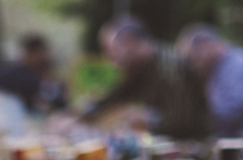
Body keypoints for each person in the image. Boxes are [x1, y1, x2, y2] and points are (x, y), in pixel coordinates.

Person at [83, 17, 212, 139]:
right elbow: (118, 93)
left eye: (113, 50)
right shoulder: (142, 67)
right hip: (173, 147)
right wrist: (83, 114)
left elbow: (180, 121)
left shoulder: (169, 68)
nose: (111, 59)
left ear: (130, 42)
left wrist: (144, 118)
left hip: (194, 149)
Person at [177, 24, 243, 138]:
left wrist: (191, 116)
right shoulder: (217, 67)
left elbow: (232, 113)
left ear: (206, 45)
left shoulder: (236, 66)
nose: (192, 65)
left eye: (191, 58)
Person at [0, 34, 66, 114]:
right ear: (31, 53)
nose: (44, 58)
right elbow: (48, 100)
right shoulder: (21, 76)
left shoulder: (26, 73)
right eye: (41, 53)